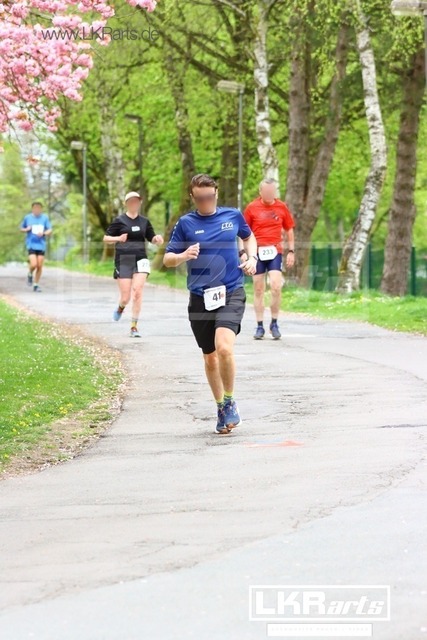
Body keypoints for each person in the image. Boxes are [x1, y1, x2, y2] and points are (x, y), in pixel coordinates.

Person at [163, 173, 258, 435]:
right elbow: (168, 259)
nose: (206, 201)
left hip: (231, 290)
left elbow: (249, 236)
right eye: (200, 198)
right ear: (192, 197)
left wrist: (252, 258)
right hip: (200, 297)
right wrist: (183, 255)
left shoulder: (232, 216)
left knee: (224, 348)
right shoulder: (186, 223)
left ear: (216, 193)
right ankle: (220, 407)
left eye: (210, 196)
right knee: (210, 357)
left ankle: (230, 400)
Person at [103, 191, 164, 338]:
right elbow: (106, 238)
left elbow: (151, 238)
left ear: (139, 203)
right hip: (123, 260)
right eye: (131, 201)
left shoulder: (144, 221)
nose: (134, 203)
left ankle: (134, 327)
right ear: (126, 204)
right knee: (126, 297)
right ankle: (121, 307)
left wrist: (157, 239)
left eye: (136, 201)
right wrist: (118, 238)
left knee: (137, 291)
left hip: (141, 259)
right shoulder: (119, 220)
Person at [243, 178, 295, 340]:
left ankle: (274, 323)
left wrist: (291, 251)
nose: (269, 194)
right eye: (266, 191)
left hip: (275, 251)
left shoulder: (281, 207)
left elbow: (289, 229)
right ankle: (259, 326)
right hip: (256, 252)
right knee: (258, 289)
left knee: (276, 286)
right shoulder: (252, 208)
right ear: (260, 192)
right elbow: (243, 231)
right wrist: (243, 252)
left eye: (272, 191)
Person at [20, 201, 52, 292]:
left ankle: (36, 285)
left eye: (39, 208)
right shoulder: (27, 218)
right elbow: (21, 228)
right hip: (31, 244)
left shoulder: (45, 218)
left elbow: (49, 230)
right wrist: (26, 229)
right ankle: (30, 273)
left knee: (39, 266)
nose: (37, 210)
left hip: (41, 245)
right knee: (34, 264)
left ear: (41, 209)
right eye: (35, 208)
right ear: (32, 209)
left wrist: (44, 233)